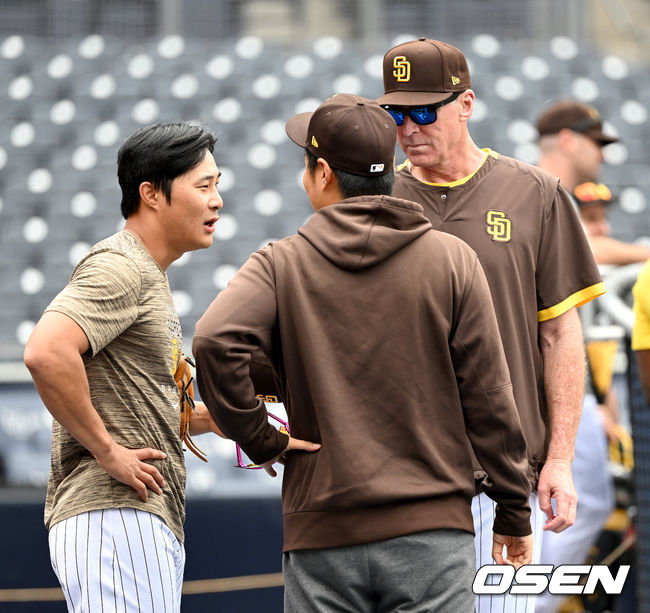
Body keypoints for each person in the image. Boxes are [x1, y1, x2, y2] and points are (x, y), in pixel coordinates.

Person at [193, 94, 533, 612]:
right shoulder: (451, 259)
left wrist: (262, 439)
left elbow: (215, 340)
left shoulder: (280, 262)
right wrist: (512, 507)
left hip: (324, 534)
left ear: (322, 173)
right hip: (433, 535)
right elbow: (489, 396)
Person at [377, 39, 605, 613]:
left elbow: (560, 333)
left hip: (502, 481)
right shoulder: (378, 201)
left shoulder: (536, 193)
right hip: (405, 479)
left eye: (425, 110)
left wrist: (559, 459)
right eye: (396, 113)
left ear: (467, 104)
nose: (409, 128)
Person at [23, 122, 225, 613]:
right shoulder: (122, 265)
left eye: (217, 184)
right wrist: (108, 451)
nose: (217, 200)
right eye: (204, 186)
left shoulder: (145, 272)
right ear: (151, 194)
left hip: (130, 518)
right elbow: (46, 352)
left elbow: (153, 410)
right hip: (113, 514)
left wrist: (240, 422)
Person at [535, 100, 645, 612]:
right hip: (534, 380)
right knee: (554, 508)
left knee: (586, 504)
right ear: (567, 139)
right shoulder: (532, 190)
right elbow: (587, 251)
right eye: (595, 143)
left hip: (559, 380)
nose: (601, 154)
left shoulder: (550, 194)